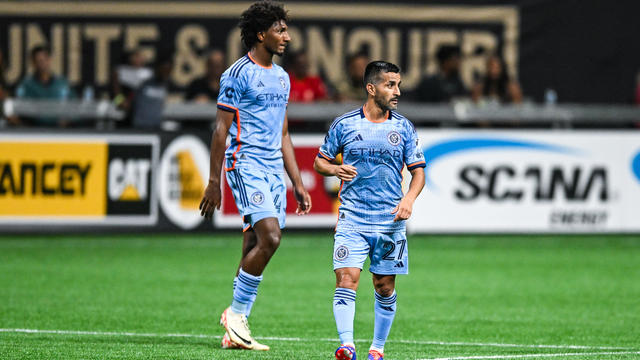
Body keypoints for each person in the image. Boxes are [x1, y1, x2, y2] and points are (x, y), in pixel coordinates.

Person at [198, 0, 312, 351]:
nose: (287, 37)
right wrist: (214, 180)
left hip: (273, 170)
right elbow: (221, 130)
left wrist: (296, 181)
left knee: (253, 244)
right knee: (271, 238)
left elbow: (283, 134)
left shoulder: (281, 77)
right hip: (244, 164)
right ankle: (235, 314)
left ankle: (234, 329)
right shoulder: (237, 74)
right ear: (260, 34)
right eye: (280, 30)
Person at [314, 61, 426, 360]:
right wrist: (335, 168)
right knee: (347, 278)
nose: (397, 91)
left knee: (384, 285)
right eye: (391, 84)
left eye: (398, 84)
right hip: (352, 217)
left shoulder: (402, 127)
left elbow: (418, 173)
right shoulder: (344, 124)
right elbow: (319, 162)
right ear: (371, 88)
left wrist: (409, 200)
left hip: (389, 221)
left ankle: (377, 349)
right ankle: (347, 345)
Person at [15, 46, 73, 126]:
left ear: (49, 60)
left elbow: (74, 106)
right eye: (38, 61)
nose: (42, 64)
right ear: (33, 63)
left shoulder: (62, 83)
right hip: (33, 130)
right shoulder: (26, 85)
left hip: (59, 131)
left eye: (44, 60)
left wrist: (67, 119)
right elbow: (19, 108)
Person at [130, 51, 173, 129]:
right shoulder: (143, 81)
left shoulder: (165, 85)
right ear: (158, 68)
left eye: (168, 71)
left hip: (156, 127)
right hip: (140, 127)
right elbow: (125, 100)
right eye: (164, 70)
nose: (166, 73)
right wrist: (118, 100)